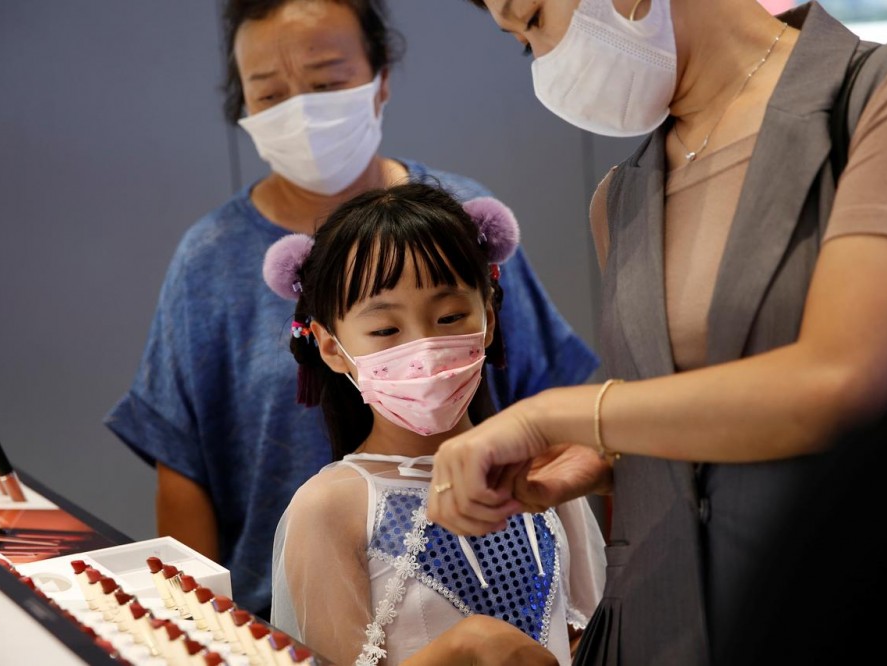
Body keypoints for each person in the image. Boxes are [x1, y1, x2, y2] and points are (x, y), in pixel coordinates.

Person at [428, 1, 887, 664]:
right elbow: (698, 419)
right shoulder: (621, 199)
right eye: (524, 44)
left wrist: (561, 415)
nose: (544, 63)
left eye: (534, 17)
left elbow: (838, 381)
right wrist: (612, 460)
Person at [104, 0, 598, 621]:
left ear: (380, 77)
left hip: (504, 601)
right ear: (326, 342)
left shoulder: (458, 222)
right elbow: (182, 468)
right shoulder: (210, 260)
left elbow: (561, 414)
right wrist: (197, 629)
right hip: (274, 623)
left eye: (327, 83)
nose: (301, 110)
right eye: (270, 93)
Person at [264, 182, 606, 666]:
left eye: (449, 316)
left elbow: (592, 640)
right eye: (385, 330)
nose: (424, 348)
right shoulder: (331, 508)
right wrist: (466, 648)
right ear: (330, 347)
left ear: (487, 313)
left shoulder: (541, 471)